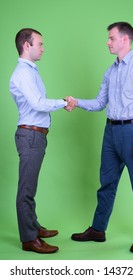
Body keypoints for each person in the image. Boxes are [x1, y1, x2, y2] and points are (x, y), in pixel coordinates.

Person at [66, 22, 133, 253]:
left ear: (125, 39)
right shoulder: (110, 71)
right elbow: (99, 103)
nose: (107, 42)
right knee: (106, 183)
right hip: (111, 132)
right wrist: (77, 103)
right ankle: (98, 229)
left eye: (111, 38)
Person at [9, 28, 75, 253]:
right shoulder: (23, 73)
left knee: (31, 186)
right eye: (40, 44)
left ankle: (33, 227)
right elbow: (38, 103)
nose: (43, 48)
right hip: (30, 136)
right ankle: (29, 239)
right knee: (26, 190)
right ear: (26, 45)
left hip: (36, 135)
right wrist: (62, 102)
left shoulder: (30, 71)